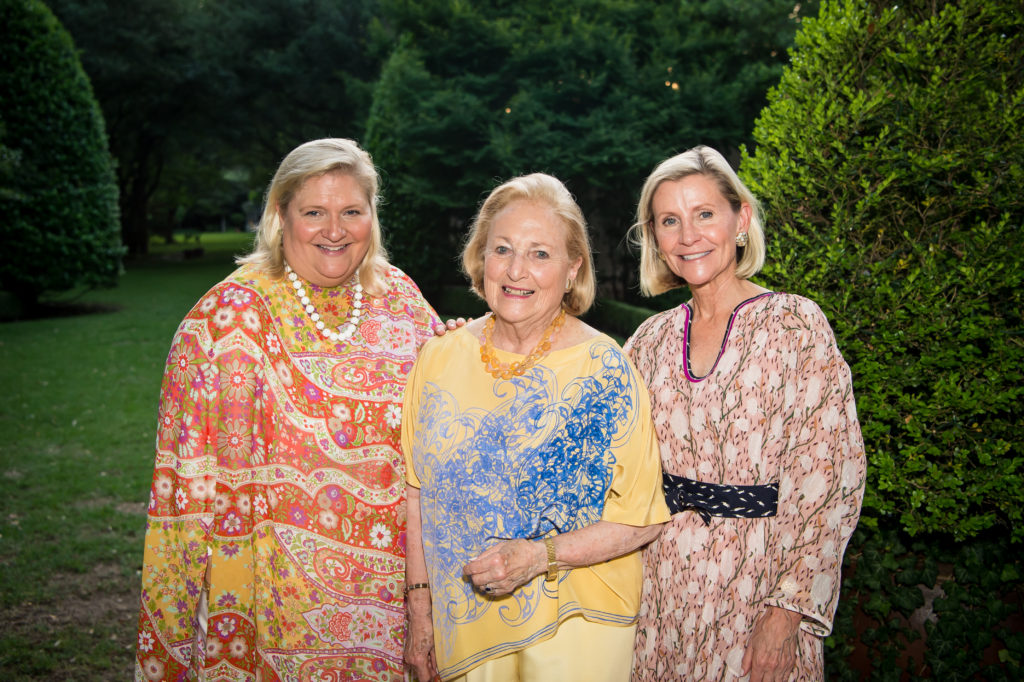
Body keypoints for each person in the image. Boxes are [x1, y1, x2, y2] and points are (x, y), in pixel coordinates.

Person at [134, 138, 440, 681]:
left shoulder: (400, 298)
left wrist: (465, 353)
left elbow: (448, 413)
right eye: (314, 213)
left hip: (395, 598)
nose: (335, 230)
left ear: (373, 214)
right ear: (281, 215)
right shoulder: (230, 319)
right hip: (276, 608)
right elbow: (185, 495)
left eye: (352, 211)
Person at [402, 173, 670, 682]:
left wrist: (538, 556)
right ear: (481, 258)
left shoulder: (604, 369)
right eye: (502, 249)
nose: (517, 269)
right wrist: (419, 610)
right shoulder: (438, 357)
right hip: (461, 625)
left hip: (574, 626)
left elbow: (644, 518)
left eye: (540, 254)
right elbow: (417, 492)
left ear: (573, 270)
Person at [624, 145, 866, 682]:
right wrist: (484, 342)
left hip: (760, 592)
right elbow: (589, 438)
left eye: (705, 213)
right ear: (656, 239)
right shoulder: (647, 342)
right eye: (670, 220)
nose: (689, 236)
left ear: (742, 219)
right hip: (661, 597)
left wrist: (786, 614)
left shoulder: (795, 326)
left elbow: (830, 481)